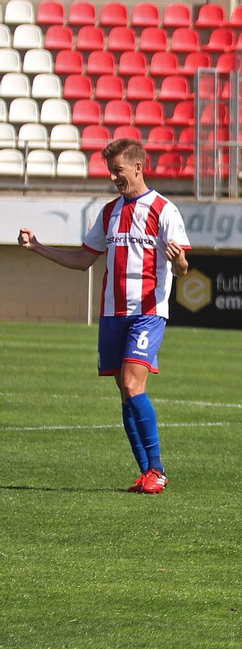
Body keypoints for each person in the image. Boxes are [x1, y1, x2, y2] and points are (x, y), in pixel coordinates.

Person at [16, 138, 190, 494]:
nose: (113, 177)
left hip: (148, 312)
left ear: (138, 168)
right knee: (125, 395)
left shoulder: (164, 209)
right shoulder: (109, 212)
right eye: (111, 171)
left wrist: (179, 261)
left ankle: (157, 469)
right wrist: (37, 247)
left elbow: (183, 266)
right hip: (112, 313)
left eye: (118, 170)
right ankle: (146, 474)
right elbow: (83, 261)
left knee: (131, 384)